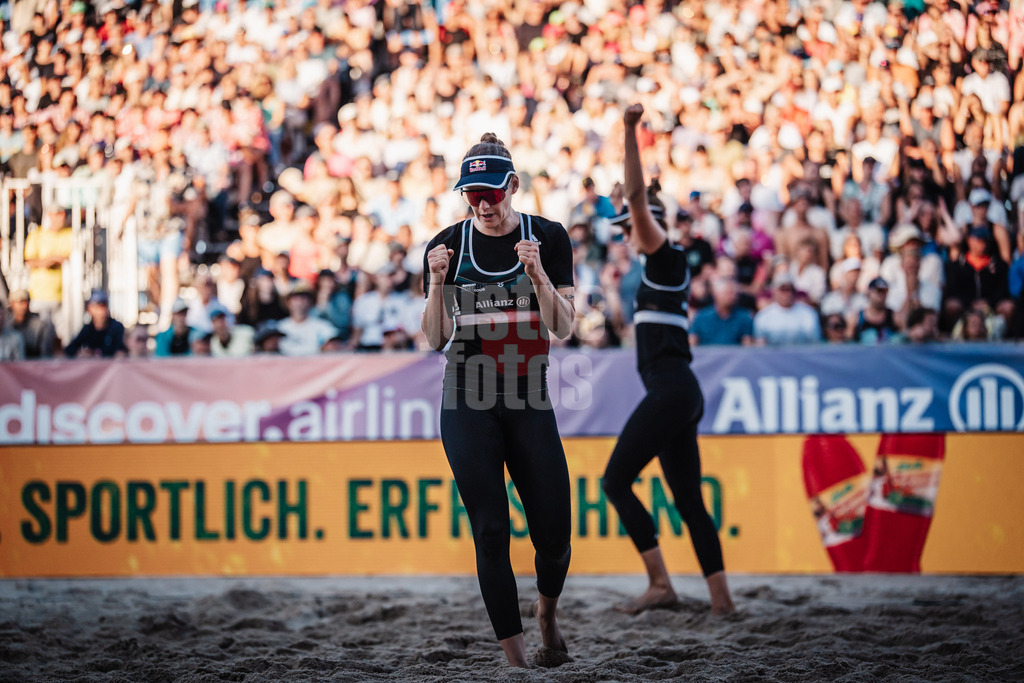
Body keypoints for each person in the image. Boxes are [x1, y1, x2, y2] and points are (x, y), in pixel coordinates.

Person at [421, 133, 575, 668]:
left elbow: (564, 327)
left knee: (554, 536)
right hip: (467, 396)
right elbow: (435, 339)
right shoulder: (446, 245)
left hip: (528, 395)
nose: (483, 205)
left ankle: (546, 613)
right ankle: (517, 663)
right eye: (473, 196)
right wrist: (437, 283)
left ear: (512, 185)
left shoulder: (548, 237)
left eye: (491, 193)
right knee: (490, 529)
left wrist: (537, 274)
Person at [601, 104, 735, 617]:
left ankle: (660, 585)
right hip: (680, 391)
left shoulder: (664, 256)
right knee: (689, 502)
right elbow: (634, 200)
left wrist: (628, 130)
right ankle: (723, 603)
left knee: (615, 481)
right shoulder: (658, 267)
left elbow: (639, 201)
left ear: (650, 224)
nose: (624, 233)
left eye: (628, 226)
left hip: (672, 390)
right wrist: (625, 198)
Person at [753, 272, 823, 345]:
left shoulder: (808, 314)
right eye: (783, 290)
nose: (787, 293)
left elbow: (814, 343)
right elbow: (760, 345)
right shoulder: (763, 316)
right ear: (775, 291)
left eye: (790, 289)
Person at [689, 277, 754, 346]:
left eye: (736, 294)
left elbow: (747, 346)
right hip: (706, 353)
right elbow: (692, 343)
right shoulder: (701, 317)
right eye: (728, 293)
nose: (733, 297)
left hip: (735, 353)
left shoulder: (744, 317)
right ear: (716, 294)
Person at [63, 290, 127, 358]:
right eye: (98, 307)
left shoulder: (116, 327)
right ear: (89, 309)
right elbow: (70, 349)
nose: (102, 311)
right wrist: (80, 353)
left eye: (104, 306)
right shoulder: (88, 329)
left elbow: (121, 351)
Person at [7, 289, 56, 358]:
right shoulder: (7, 327)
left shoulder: (40, 326)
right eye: (21, 302)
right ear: (12, 304)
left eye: (27, 302)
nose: (25, 305)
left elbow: (45, 354)